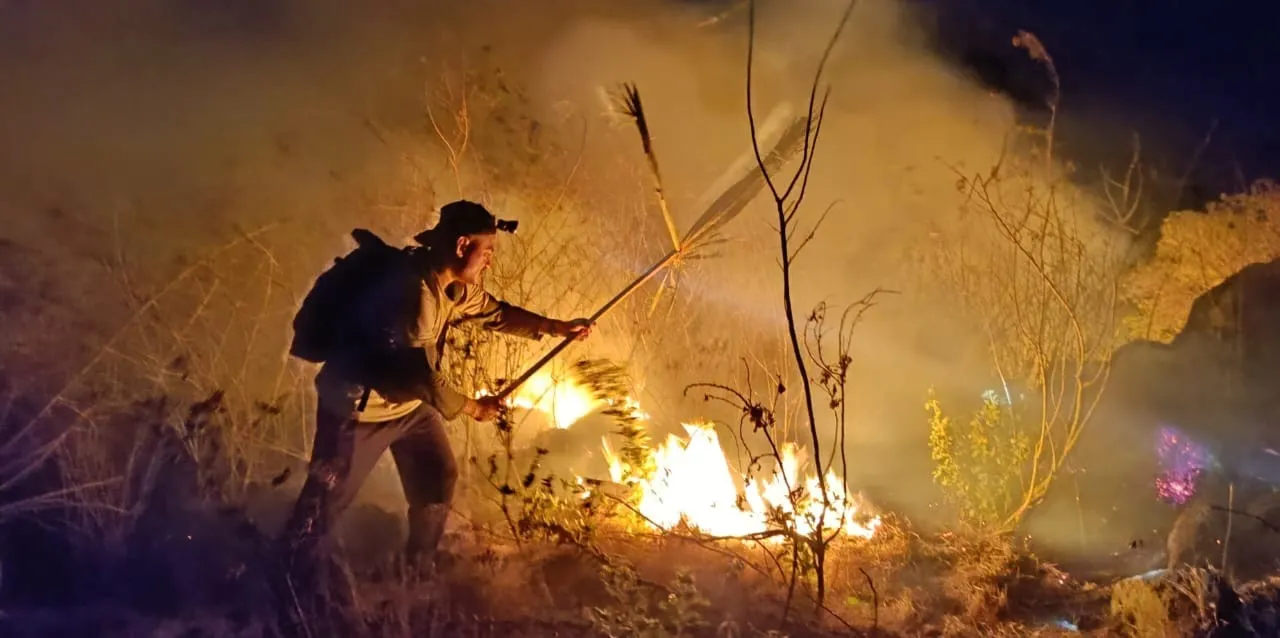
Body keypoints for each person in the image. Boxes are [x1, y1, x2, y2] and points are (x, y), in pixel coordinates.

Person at [277, 200, 591, 591]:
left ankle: (416, 571)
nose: (490, 261)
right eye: (487, 251)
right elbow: (418, 375)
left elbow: (495, 314)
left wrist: (556, 327)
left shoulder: (452, 287)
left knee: (437, 474)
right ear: (462, 245)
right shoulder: (415, 293)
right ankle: (280, 578)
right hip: (359, 412)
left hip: (408, 407)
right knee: (323, 503)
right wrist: (473, 407)